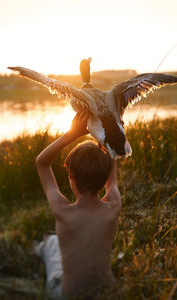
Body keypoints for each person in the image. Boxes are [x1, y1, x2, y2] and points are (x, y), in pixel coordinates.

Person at [35, 109, 122, 299]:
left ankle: (42, 246)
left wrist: (71, 134)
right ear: (105, 177)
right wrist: (107, 137)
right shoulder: (113, 206)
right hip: (106, 290)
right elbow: (112, 173)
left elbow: (41, 163)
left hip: (68, 295)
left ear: (71, 177)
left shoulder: (62, 211)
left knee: (52, 245)